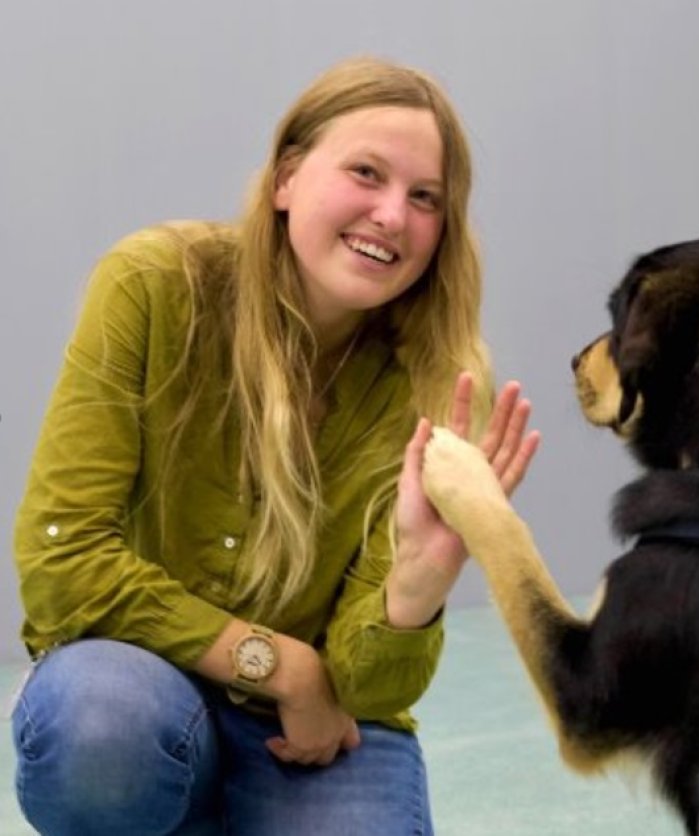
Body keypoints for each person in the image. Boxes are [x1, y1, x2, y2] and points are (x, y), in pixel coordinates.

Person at [11, 56, 540, 836]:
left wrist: (415, 591)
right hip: (144, 688)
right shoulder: (154, 286)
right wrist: (276, 662)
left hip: (318, 731)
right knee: (97, 727)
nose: (393, 215)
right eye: (366, 173)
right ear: (286, 177)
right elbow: (62, 562)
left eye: (425, 197)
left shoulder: (442, 385)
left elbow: (366, 688)